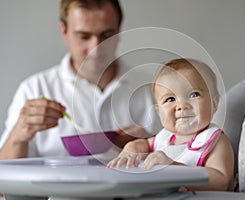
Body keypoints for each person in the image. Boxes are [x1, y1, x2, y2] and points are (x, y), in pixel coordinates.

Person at [0, 0, 161, 160]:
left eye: (106, 35)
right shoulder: (35, 89)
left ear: (119, 32)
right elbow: (4, 174)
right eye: (84, 36)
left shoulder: (153, 88)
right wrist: (17, 137)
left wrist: (152, 144)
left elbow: (182, 162)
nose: (95, 48)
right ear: (64, 31)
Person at [107, 58, 234, 191]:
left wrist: (173, 167)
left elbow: (221, 181)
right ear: (159, 112)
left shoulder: (214, 141)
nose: (181, 105)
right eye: (170, 99)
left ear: (214, 103)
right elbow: (142, 144)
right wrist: (130, 150)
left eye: (194, 94)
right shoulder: (164, 138)